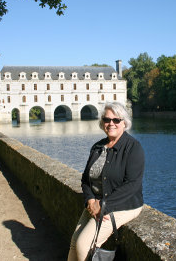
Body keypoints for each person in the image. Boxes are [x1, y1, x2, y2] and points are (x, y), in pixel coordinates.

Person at [68, 102, 145, 261]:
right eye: (107, 119)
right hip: (95, 202)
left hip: (123, 204)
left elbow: (132, 185)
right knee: (74, 243)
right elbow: (85, 179)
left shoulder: (133, 148)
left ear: (124, 122)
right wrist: (90, 199)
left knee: (84, 245)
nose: (111, 123)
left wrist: (104, 205)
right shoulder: (97, 147)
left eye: (116, 120)